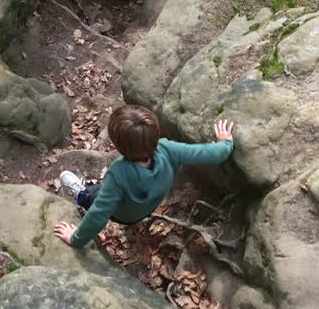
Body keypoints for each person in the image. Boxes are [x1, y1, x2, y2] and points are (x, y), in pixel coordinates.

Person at [52, 105, 234, 248]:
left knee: (95, 194)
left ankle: (81, 195)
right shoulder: (168, 149)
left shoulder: (118, 173)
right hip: (149, 207)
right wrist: (225, 144)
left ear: (118, 146)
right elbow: (205, 153)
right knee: (110, 193)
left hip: (122, 215)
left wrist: (75, 238)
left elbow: (98, 215)